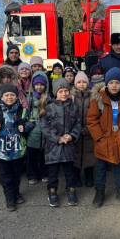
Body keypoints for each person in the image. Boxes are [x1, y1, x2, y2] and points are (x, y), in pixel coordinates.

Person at [87, 67, 120, 208]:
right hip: (104, 140)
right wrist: (99, 137)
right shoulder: (98, 100)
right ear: (106, 84)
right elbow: (92, 120)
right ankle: (99, 192)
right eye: (111, 82)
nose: (114, 85)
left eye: (117, 82)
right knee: (101, 168)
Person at [0, 84, 35, 212]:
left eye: (12, 95)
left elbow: (32, 121)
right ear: (2, 97)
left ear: (17, 96)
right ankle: (9, 196)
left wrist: (26, 127)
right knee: (5, 175)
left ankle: (16, 192)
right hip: (1, 151)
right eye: (7, 95)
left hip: (18, 150)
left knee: (16, 174)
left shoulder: (22, 111)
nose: (10, 97)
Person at [40, 78, 82, 207]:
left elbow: (78, 124)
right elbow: (43, 125)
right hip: (53, 148)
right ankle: (52, 192)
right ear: (55, 93)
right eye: (61, 91)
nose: (64, 94)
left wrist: (71, 136)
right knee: (53, 173)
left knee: (69, 172)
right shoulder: (49, 108)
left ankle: (71, 191)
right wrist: (57, 138)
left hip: (68, 147)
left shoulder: (74, 108)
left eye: (66, 91)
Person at [72, 72, 97, 188]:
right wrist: (76, 129)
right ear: (75, 83)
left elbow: (96, 114)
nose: (82, 85)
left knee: (89, 154)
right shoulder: (71, 96)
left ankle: (89, 176)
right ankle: (76, 176)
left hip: (89, 130)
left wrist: (88, 128)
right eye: (79, 82)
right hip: (75, 131)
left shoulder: (93, 96)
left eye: (84, 82)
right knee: (75, 154)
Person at [26, 71, 50, 185]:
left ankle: (45, 173)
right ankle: (32, 174)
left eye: (41, 84)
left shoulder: (49, 98)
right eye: (37, 84)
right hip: (33, 130)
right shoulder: (29, 98)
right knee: (31, 155)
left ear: (45, 85)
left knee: (45, 154)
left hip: (45, 130)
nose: (39, 87)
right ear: (33, 85)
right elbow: (26, 113)